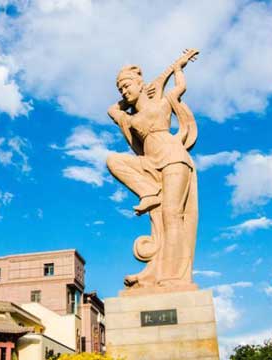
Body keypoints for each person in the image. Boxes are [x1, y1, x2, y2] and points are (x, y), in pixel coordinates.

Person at [106, 49, 199, 289]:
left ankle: (173, 276)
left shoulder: (163, 101)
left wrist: (176, 69)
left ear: (140, 84)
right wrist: (130, 93)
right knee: (113, 161)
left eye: (127, 86)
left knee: (171, 215)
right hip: (149, 162)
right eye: (121, 89)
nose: (124, 91)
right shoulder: (129, 117)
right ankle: (149, 192)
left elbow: (180, 88)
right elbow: (112, 110)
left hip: (172, 158)